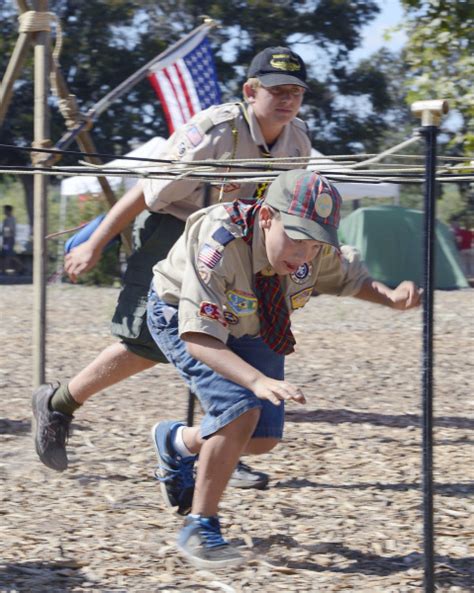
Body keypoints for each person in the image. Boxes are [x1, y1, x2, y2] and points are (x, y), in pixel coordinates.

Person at [32, 47, 312, 489]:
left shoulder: (297, 139)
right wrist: (95, 243)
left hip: (240, 245)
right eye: (276, 90)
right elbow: (146, 191)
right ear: (250, 91)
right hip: (174, 231)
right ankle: (60, 403)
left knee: (234, 335)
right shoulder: (215, 132)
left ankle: (225, 440)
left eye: (295, 92)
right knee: (150, 340)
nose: (287, 100)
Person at [146, 169, 422, 568]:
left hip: (254, 320)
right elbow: (198, 337)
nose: (303, 255)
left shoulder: (312, 250)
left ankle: (178, 442)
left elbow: (347, 277)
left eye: (314, 244)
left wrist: (391, 297)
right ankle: (199, 527)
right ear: (266, 217)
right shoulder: (221, 241)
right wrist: (256, 380)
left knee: (260, 439)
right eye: (295, 239)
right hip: (183, 317)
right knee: (239, 410)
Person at [1, 205, 24, 275]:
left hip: (9, 240)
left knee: (7, 255)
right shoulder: (7, 219)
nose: (3, 211)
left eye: (5, 210)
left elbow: (9, 230)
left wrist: (6, 241)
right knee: (9, 255)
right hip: (7, 240)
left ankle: (4, 271)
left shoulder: (10, 219)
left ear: (8, 211)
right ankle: (22, 268)